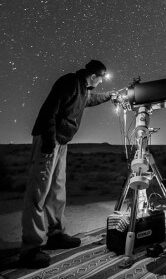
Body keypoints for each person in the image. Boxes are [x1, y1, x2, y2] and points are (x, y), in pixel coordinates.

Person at [19, 60, 116, 268]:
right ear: (93, 77)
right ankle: (30, 249)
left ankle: (56, 235)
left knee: (56, 190)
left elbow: (91, 99)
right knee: (39, 192)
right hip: (49, 140)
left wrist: (110, 96)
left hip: (61, 142)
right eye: (101, 79)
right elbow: (49, 111)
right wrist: (48, 143)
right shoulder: (70, 82)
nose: (101, 83)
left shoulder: (82, 89)